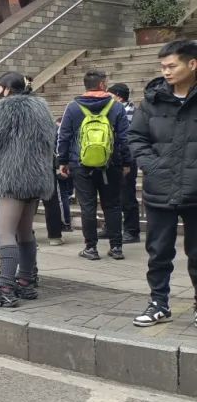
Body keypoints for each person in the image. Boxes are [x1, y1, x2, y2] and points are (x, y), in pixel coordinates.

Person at [0, 72, 57, 308]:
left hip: (13, 176)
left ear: (6, 89)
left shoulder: (7, 107)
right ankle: (25, 281)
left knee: (4, 232)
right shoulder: (41, 107)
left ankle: (5, 288)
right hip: (37, 176)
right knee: (25, 232)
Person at [129, 40, 197, 328]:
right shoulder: (153, 100)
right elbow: (136, 137)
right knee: (158, 252)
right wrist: (152, 166)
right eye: (163, 67)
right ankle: (159, 303)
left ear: (192, 64)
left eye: (172, 66)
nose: (166, 72)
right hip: (160, 189)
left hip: (195, 191)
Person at [56, 70, 131, 262]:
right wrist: (126, 162)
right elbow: (125, 138)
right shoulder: (116, 107)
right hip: (111, 163)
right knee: (112, 205)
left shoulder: (73, 107)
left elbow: (64, 136)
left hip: (80, 164)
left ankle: (91, 248)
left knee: (87, 206)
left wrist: (62, 161)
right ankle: (116, 247)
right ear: (102, 85)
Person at [108, 82, 141, 243]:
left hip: (127, 159)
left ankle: (132, 231)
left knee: (127, 196)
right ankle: (111, 227)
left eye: (111, 96)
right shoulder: (111, 110)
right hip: (113, 159)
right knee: (110, 196)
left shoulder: (133, 113)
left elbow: (128, 139)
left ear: (119, 97)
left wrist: (128, 160)